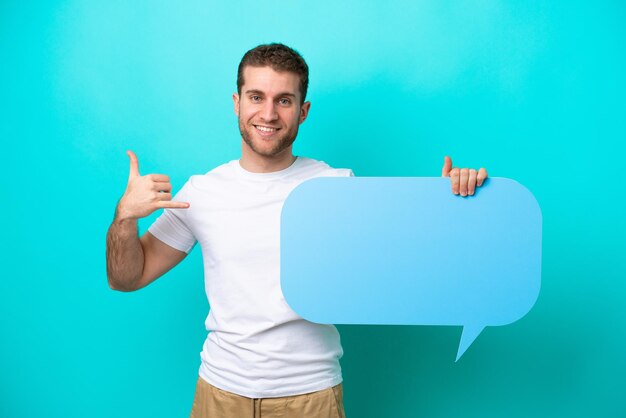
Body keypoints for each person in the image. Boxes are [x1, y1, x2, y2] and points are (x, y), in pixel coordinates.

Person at [105, 43, 488, 418]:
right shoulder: (202, 192)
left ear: (303, 111)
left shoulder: (337, 186)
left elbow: (414, 263)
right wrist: (125, 217)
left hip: (309, 398)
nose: (268, 113)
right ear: (236, 102)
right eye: (256, 96)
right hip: (219, 396)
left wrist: (453, 204)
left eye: (284, 100)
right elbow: (127, 277)